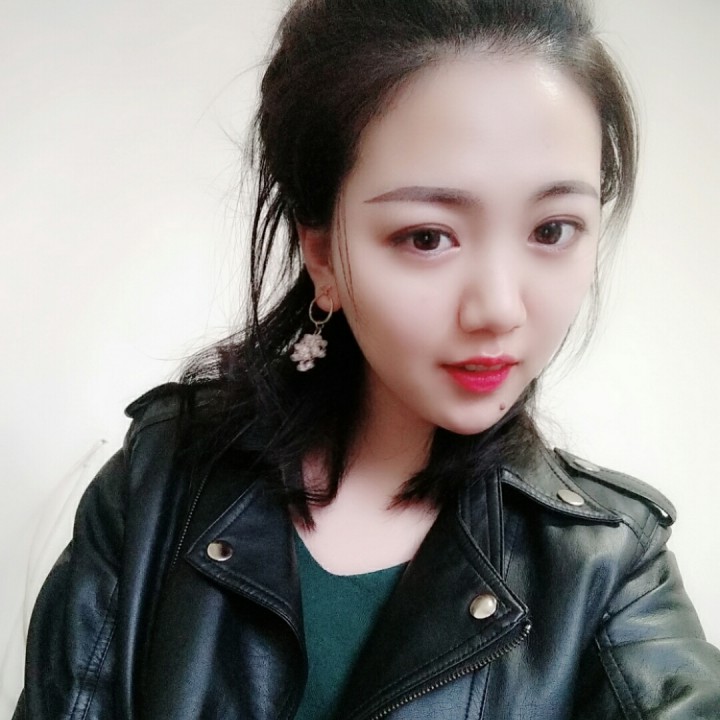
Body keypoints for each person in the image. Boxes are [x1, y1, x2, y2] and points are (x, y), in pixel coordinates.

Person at [12, 0, 720, 717]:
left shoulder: (607, 568)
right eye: (427, 237)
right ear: (321, 251)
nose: (500, 307)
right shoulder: (159, 484)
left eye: (552, 229)